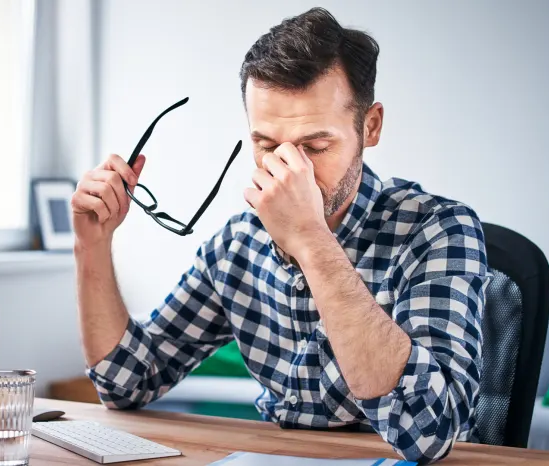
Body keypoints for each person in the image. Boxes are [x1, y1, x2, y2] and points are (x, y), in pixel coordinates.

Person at [70, 7, 489, 464]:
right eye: (267, 145)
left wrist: (311, 241)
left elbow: (428, 431)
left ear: (370, 127)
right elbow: (125, 381)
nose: (291, 170)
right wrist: (92, 246)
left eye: (315, 146)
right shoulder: (237, 246)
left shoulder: (437, 230)